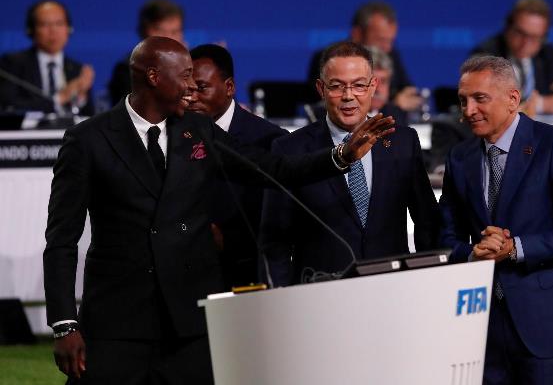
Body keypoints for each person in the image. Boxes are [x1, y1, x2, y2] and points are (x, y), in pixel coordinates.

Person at [43, 36, 394, 384]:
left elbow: (273, 169)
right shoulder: (88, 140)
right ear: (153, 77)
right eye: (183, 77)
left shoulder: (197, 130)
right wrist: (64, 323)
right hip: (118, 322)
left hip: (190, 323)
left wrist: (340, 157)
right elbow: (61, 240)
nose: (191, 88)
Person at [440, 55, 553, 384]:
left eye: (479, 99)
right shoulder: (460, 157)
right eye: (463, 100)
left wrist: (516, 248)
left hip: (547, 324)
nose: (468, 110)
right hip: (481, 329)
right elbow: (445, 236)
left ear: (513, 99)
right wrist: (472, 253)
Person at [260, 41, 441, 286]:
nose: (348, 96)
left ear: (373, 86)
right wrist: (279, 299)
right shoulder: (290, 149)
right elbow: (275, 241)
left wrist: (431, 283)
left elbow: (427, 223)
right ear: (320, 89)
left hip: (394, 292)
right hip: (322, 295)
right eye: (337, 86)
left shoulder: (403, 142)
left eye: (358, 85)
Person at [187, 43, 288, 288]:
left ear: (229, 87)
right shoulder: (174, 133)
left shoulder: (270, 140)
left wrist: (228, 239)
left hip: (244, 276)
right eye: (187, 90)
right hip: (185, 277)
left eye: (201, 88)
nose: (192, 98)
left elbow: (278, 217)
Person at [471, 0, 553, 115]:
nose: (525, 43)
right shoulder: (485, 55)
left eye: (534, 37)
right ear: (507, 27)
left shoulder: (547, 54)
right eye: (521, 33)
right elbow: (482, 103)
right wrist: (541, 105)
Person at [307, 1, 422, 112]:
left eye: (391, 41)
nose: (387, 48)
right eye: (381, 40)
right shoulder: (329, 60)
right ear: (357, 34)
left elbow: (407, 90)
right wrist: (393, 106)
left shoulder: (391, 55)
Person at [0, 0, 94, 115]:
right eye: (44, 24)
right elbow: (8, 106)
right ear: (31, 31)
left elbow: (89, 117)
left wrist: (80, 97)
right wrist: (59, 98)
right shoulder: (13, 64)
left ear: (69, 29)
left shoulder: (77, 70)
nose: (53, 31)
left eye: (59, 24)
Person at [108, 0, 185, 106]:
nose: (168, 38)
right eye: (161, 31)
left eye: (174, 32)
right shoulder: (127, 69)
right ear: (144, 32)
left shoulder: (192, 66)